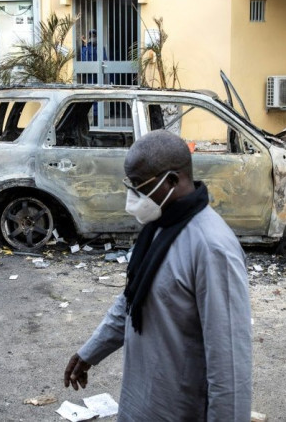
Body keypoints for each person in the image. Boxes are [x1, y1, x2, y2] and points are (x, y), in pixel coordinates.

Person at [63, 129, 253, 421]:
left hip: (179, 409)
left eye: (139, 185)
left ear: (173, 181)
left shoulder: (212, 248)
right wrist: (92, 350)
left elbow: (229, 367)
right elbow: (132, 300)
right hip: (141, 402)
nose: (133, 195)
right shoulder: (160, 227)